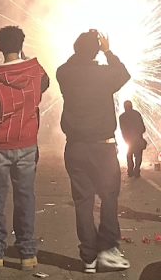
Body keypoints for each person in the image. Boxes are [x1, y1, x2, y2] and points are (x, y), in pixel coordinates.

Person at [0, 26, 50, 271]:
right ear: (22, 45)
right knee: (25, 197)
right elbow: (44, 82)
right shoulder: (35, 72)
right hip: (27, 144)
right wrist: (26, 60)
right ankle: (28, 253)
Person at [57, 30, 132, 273]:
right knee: (109, 198)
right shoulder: (104, 74)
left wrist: (86, 48)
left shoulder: (64, 73)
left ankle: (88, 257)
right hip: (103, 147)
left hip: (76, 146)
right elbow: (124, 74)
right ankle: (108, 251)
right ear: (95, 51)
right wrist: (107, 50)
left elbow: (72, 62)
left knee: (83, 202)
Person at [118, 100, 147, 178]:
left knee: (129, 155)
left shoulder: (122, 117)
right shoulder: (137, 114)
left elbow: (122, 130)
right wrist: (139, 134)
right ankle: (136, 170)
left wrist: (126, 139)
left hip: (129, 140)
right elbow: (143, 128)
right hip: (138, 138)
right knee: (138, 155)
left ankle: (130, 170)